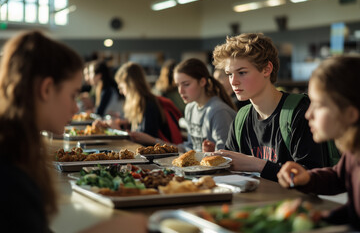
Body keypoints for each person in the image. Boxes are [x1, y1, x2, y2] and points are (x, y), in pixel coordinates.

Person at [0, 30, 146, 232]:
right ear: (47, 89)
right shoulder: (9, 171)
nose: (76, 108)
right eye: (72, 95)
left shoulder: (19, 149)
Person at [210, 33, 328, 182]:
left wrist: (258, 165)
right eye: (229, 74)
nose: (233, 81)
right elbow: (230, 167)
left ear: (266, 69)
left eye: (242, 72)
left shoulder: (299, 113)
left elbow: (310, 176)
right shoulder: (242, 117)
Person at [277, 56, 360, 230]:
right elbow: (339, 176)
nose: (308, 114)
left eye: (319, 105)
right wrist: (308, 178)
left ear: (351, 114)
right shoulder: (353, 152)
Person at [130, 58, 237, 152]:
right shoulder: (190, 108)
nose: (180, 91)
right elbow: (188, 148)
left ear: (202, 82)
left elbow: (226, 157)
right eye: (178, 85)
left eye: (186, 84)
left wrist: (209, 153)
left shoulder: (218, 111)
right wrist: (153, 141)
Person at [96, 61, 175, 143]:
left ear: (131, 85)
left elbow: (147, 141)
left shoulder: (148, 104)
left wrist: (118, 130)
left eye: (122, 87)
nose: (121, 92)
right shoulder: (142, 102)